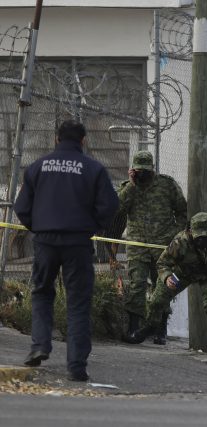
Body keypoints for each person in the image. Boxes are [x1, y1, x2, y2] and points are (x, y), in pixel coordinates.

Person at [13, 119, 119, 381]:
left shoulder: (38, 167)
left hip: (45, 241)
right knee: (79, 302)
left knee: (41, 292)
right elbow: (109, 207)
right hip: (78, 243)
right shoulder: (93, 169)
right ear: (83, 141)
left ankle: (39, 345)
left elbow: (21, 207)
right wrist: (90, 227)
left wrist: (38, 226)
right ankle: (76, 366)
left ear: (56, 139)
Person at [124, 212, 207, 357]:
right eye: (199, 237)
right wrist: (167, 277)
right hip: (184, 272)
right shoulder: (180, 241)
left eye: (206, 236)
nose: (202, 241)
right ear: (190, 231)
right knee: (158, 299)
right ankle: (150, 326)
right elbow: (162, 263)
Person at [117, 150, 187, 345]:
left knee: (161, 287)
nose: (143, 175)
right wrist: (131, 185)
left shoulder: (167, 185)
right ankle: (133, 329)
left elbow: (182, 210)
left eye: (146, 171)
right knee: (137, 284)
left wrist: (177, 236)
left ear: (153, 169)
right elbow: (116, 209)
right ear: (132, 170)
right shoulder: (127, 188)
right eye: (139, 171)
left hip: (162, 245)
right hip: (137, 245)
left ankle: (160, 330)